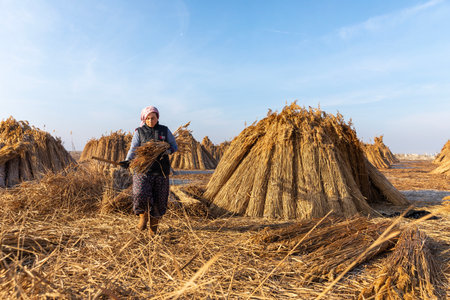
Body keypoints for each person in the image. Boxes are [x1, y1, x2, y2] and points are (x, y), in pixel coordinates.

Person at [120, 106, 178, 234]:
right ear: (144, 119)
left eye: (153, 118)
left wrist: (167, 151)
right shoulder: (139, 132)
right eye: (148, 118)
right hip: (143, 170)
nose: (150, 121)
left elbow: (174, 146)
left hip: (161, 171)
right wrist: (128, 160)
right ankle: (143, 216)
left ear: (157, 118)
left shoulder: (164, 130)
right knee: (140, 194)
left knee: (159, 201)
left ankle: (153, 230)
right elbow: (133, 149)